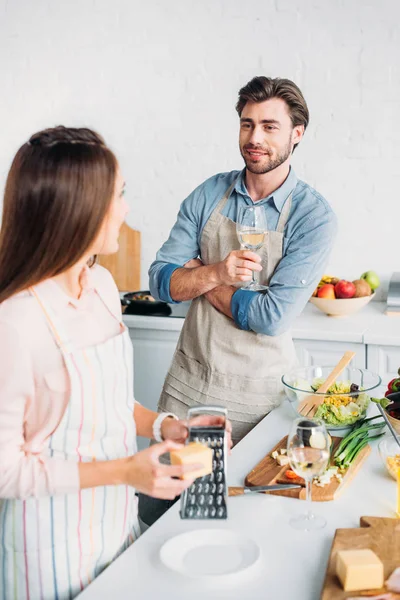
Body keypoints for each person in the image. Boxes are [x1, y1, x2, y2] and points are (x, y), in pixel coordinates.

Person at [0, 126, 231, 600]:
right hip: (49, 543)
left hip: (115, 523)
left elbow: (104, 401)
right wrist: (126, 471)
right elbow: (6, 472)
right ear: (78, 210)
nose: (126, 208)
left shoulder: (103, 286)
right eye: (118, 195)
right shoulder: (15, 320)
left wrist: (166, 426)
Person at [139, 76, 337, 527]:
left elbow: (271, 316)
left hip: (258, 401)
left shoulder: (313, 216)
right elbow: (159, 281)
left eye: (270, 126)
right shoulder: (210, 193)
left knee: (244, 523)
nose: (255, 138)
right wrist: (216, 273)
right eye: (247, 125)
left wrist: (199, 279)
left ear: (297, 133)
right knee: (159, 517)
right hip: (187, 388)